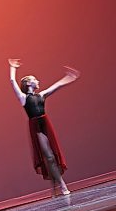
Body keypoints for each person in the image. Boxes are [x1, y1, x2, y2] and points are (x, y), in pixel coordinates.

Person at [8, 58, 80, 196]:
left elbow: (57, 86)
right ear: (29, 83)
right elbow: (12, 82)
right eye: (35, 80)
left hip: (45, 124)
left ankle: (54, 186)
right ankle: (62, 185)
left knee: (52, 156)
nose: (38, 81)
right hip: (36, 127)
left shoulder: (41, 95)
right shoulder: (23, 98)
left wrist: (69, 77)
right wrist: (13, 67)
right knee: (49, 157)